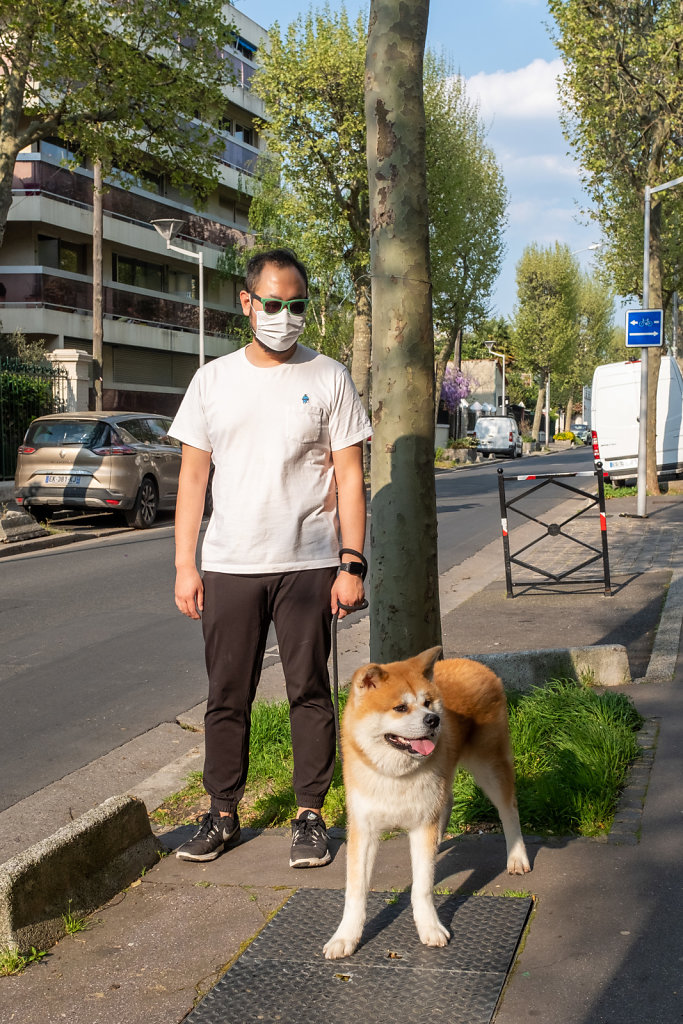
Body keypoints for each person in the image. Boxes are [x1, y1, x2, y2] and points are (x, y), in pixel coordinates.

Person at [169, 248, 371, 868]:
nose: (285, 315)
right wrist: (185, 564)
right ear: (248, 303)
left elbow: (350, 477)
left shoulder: (329, 377)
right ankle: (221, 813)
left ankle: (310, 814)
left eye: (297, 305)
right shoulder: (213, 380)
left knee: (309, 692)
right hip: (230, 565)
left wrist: (351, 564)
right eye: (275, 303)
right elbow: (193, 481)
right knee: (226, 695)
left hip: (308, 562)